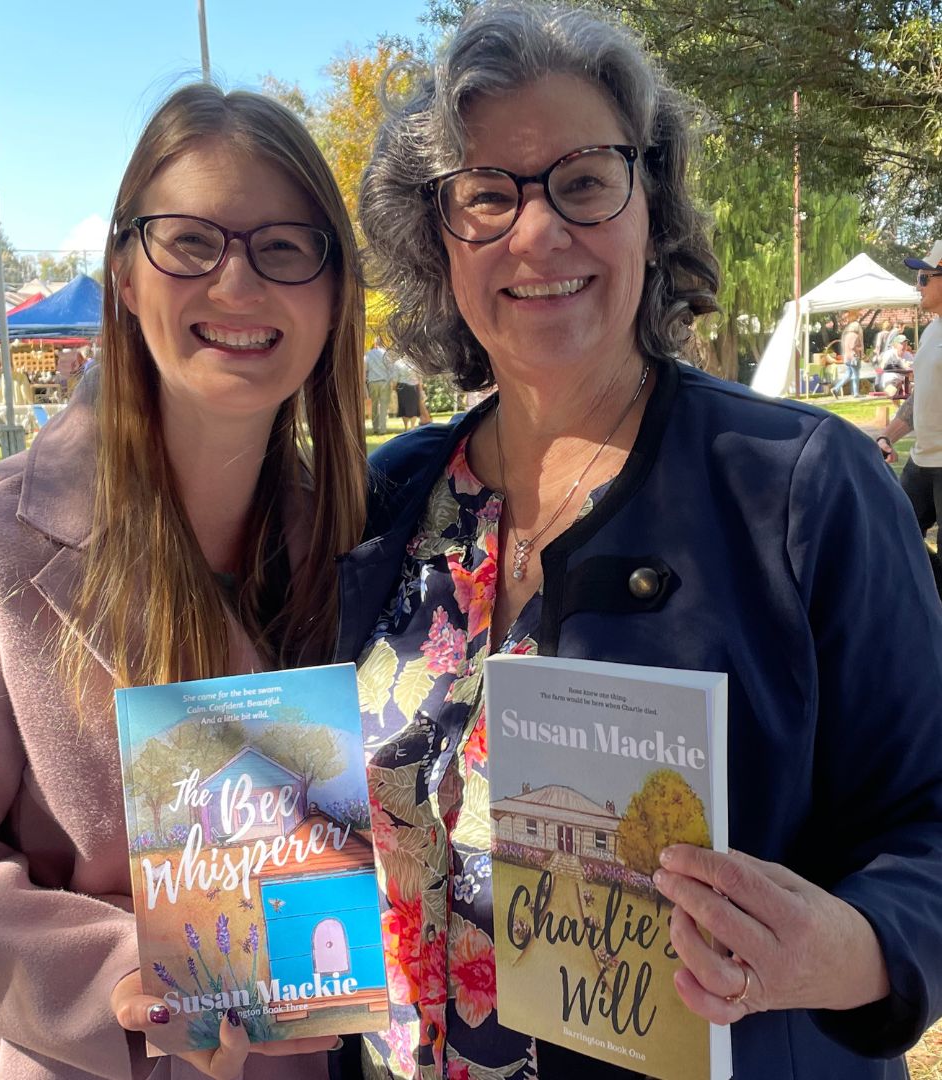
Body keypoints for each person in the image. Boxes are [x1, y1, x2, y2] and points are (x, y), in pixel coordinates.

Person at [339, 4, 942, 1078]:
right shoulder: (391, 501)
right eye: (486, 194)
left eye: (582, 180)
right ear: (438, 238)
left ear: (650, 209)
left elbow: (929, 815)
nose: (537, 233)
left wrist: (839, 953)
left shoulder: (802, 490)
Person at [0, 84, 367, 1080]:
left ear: (333, 289)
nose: (237, 284)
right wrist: (120, 980)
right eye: (190, 242)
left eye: (284, 247)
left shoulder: (367, 541)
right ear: (126, 276)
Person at [878, 240, 942, 594]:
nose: (916, 286)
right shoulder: (933, 330)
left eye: (922, 278)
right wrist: (887, 435)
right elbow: (924, 397)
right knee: (892, 532)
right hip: (921, 464)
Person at [365, 334, 394, 434]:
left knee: (374, 406)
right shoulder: (386, 353)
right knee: (383, 406)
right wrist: (391, 381)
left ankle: (375, 428)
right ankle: (383, 428)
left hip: (373, 382)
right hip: (384, 382)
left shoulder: (368, 354)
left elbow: (365, 368)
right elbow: (391, 369)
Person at [831, 314, 865, 398]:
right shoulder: (856, 336)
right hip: (854, 358)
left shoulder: (846, 336)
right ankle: (856, 393)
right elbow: (853, 346)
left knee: (848, 374)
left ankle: (836, 388)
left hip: (847, 357)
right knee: (856, 375)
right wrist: (860, 348)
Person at [393, 353, 424, 429]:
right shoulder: (416, 362)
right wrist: (421, 389)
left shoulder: (398, 363)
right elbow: (420, 377)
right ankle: (412, 427)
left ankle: (406, 427)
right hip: (414, 386)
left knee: (403, 407)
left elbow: (395, 377)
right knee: (414, 407)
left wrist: (393, 388)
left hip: (402, 386)